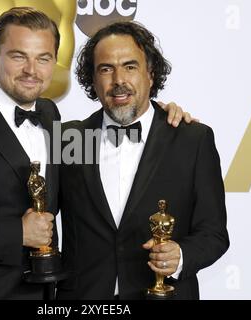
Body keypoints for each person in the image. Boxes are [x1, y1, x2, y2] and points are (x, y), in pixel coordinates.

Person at [0, 7, 191, 299]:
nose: (32, 70)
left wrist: (158, 115)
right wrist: (17, 233)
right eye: (19, 56)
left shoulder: (50, 116)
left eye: (43, 58)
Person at [57, 21, 229, 300]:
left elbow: (214, 234)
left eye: (130, 66)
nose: (118, 80)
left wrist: (181, 255)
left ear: (150, 73)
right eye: (105, 69)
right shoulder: (71, 138)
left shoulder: (191, 140)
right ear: (92, 79)